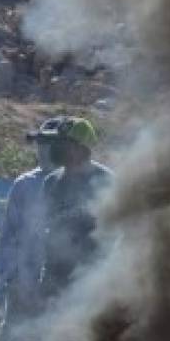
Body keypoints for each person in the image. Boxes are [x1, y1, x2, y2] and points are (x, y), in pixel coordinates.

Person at [0, 118, 61, 341]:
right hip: (24, 280)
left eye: (48, 142)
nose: (42, 148)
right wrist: (13, 276)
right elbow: (8, 235)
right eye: (40, 142)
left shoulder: (81, 181)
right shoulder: (24, 185)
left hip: (63, 286)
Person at [39, 117, 114, 301]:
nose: (57, 148)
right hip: (55, 277)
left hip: (92, 280)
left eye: (64, 143)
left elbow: (116, 237)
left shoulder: (106, 181)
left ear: (80, 148)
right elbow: (45, 228)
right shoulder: (51, 182)